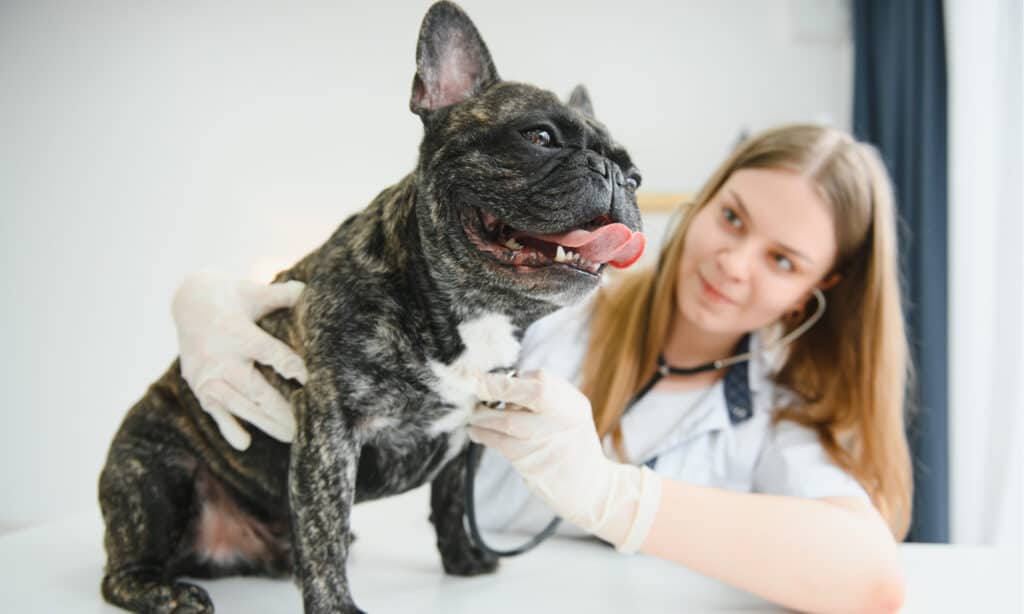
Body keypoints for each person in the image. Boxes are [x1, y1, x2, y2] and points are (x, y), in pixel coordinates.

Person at [172, 124, 911, 613]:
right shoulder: (546, 303)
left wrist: (610, 495)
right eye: (734, 218)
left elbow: (872, 580)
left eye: (783, 260)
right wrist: (203, 295)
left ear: (821, 290)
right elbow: (378, 283)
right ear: (705, 199)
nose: (733, 262)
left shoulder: (783, 415)